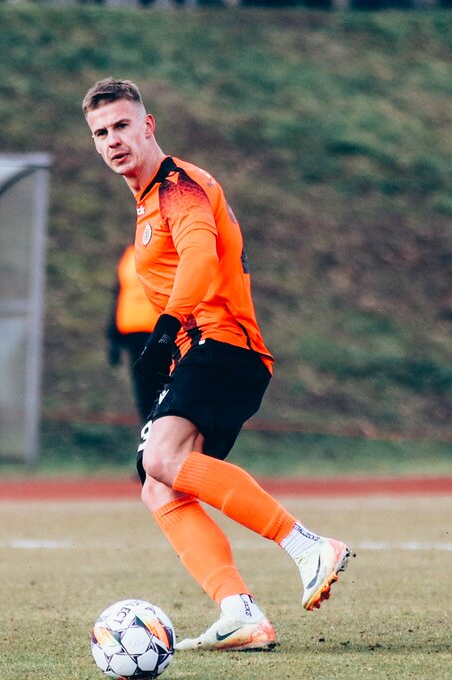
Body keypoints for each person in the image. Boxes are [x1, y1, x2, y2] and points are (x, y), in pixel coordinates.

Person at [82, 77, 351, 652]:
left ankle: (307, 546)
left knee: (161, 458)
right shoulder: (146, 201)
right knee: (158, 485)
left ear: (148, 125)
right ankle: (239, 612)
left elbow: (201, 257)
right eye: (101, 133)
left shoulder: (179, 185)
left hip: (222, 343)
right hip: (199, 349)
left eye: (122, 125)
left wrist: (168, 324)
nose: (113, 140)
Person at [107, 244, 161, 424]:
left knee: (159, 386)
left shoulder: (170, 250)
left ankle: (161, 429)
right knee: (142, 388)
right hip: (133, 333)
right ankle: (149, 429)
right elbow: (119, 294)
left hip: (159, 332)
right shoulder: (130, 254)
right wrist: (113, 337)